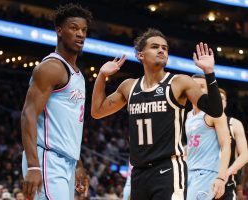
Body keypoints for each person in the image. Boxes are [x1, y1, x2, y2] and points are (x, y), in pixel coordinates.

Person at [91, 28, 223, 200]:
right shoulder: (129, 87)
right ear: (141, 55)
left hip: (168, 169)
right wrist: (101, 76)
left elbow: (215, 110)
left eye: (165, 48)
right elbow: (97, 112)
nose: (161, 50)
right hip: (138, 172)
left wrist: (209, 72)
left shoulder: (179, 82)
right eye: (155, 47)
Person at [21, 4, 92, 200]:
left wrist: (77, 164)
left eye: (84, 30)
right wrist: (34, 166)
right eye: (74, 28)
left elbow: (68, 127)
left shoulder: (78, 74)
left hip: (66, 161)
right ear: (59, 30)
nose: (80, 34)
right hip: (47, 158)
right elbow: (28, 115)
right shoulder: (51, 68)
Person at [185, 75, 231, 200]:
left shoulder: (215, 114)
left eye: (202, 87)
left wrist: (221, 177)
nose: (198, 90)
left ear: (208, 90)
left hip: (206, 173)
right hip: (188, 171)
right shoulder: (188, 115)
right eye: (194, 86)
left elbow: (226, 145)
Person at [220, 88, 248, 199]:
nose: (219, 100)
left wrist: (226, 173)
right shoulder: (198, 122)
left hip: (226, 182)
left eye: (222, 98)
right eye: (216, 97)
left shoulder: (234, 124)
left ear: (226, 103)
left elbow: (245, 155)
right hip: (201, 181)